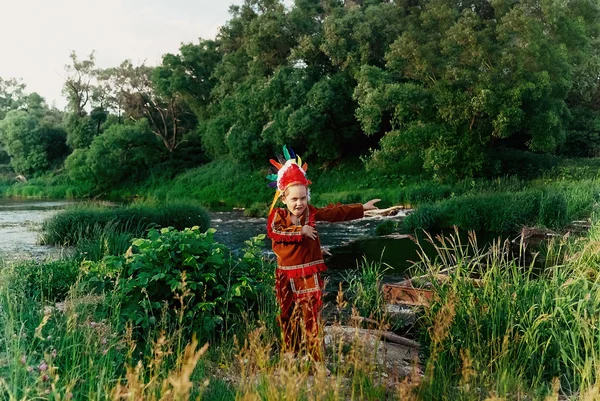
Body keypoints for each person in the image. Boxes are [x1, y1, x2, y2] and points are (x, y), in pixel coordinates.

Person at [266, 146, 380, 364]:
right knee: (288, 315)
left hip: (309, 273)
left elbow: (335, 213)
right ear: (283, 199)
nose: (299, 204)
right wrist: (301, 230)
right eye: (294, 199)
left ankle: (314, 359)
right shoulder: (278, 216)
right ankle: (291, 354)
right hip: (286, 276)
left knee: (310, 316)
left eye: (303, 198)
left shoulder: (311, 212)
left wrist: (362, 208)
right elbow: (276, 232)